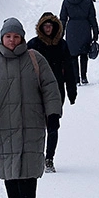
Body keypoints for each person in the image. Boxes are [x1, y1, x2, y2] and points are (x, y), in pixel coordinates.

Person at [0, 17, 63, 198]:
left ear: (22, 37)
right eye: (8, 36)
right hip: (2, 125)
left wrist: (52, 115)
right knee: (10, 171)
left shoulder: (35, 59)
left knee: (29, 171)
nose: (12, 40)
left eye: (15, 36)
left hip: (31, 124)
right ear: (2, 38)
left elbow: (50, 87)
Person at [27, 12, 76, 173]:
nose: (48, 28)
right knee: (36, 125)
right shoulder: (33, 45)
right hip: (36, 89)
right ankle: (37, 156)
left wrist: (71, 91)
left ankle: (49, 159)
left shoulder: (62, 45)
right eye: (45, 26)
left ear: (55, 27)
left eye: (51, 26)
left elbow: (69, 68)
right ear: (41, 27)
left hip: (56, 90)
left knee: (53, 124)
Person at [60, 0, 99, 85]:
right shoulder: (87, 0)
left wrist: (60, 32)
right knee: (84, 54)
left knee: (73, 56)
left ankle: (76, 79)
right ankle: (84, 77)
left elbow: (63, 18)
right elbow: (92, 17)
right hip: (85, 28)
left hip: (72, 28)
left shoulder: (67, 1)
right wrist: (95, 32)